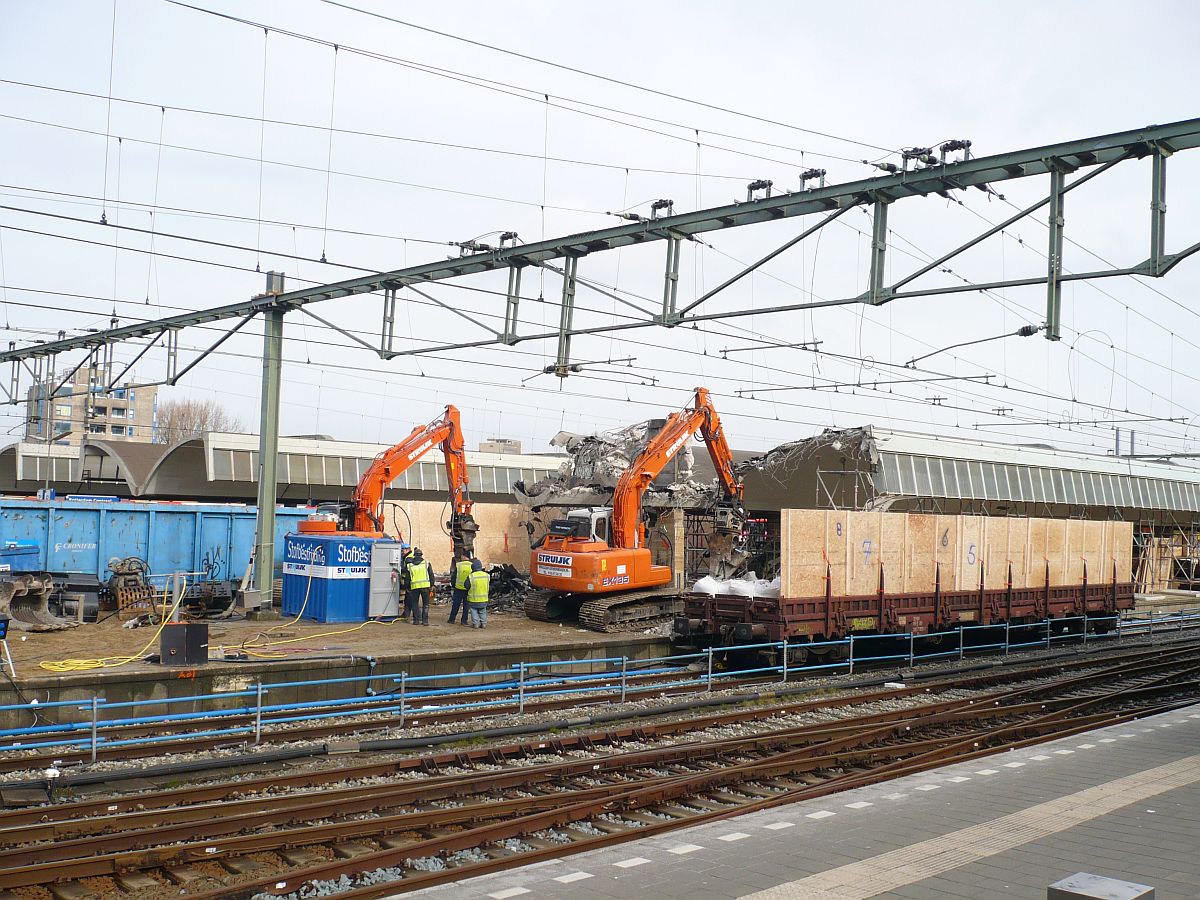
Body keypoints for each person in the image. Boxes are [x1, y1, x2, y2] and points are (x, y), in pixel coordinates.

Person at [405, 547, 433, 626]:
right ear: (421, 555)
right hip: (425, 587)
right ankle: (425, 621)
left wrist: (407, 587)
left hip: (414, 587)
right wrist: (432, 585)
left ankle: (416, 620)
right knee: (426, 604)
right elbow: (431, 575)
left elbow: (407, 578)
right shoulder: (426, 564)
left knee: (415, 604)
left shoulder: (409, 566)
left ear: (414, 555)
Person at [448, 554, 472, 625]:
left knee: (455, 605)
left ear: (464, 556)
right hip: (468, 589)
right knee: (466, 606)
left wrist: (453, 585)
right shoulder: (472, 565)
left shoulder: (459, 565)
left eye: (462, 556)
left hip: (458, 588)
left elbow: (453, 577)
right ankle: (464, 621)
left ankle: (452, 619)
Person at [466, 558, 490, 629]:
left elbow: (466, 585)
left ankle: (476, 624)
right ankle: (483, 624)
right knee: (482, 611)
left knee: (474, 612)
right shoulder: (486, 575)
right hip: (484, 598)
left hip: (473, 599)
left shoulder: (471, 576)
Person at [398, 542, 413, 620]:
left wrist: (399, 569)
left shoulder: (409, 558)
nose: (402, 552)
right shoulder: (407, 557)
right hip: (407, 581)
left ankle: (409, 615)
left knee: (409, 599)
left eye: (403, 550)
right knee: (407, 599)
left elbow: (408, 570)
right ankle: (406, 614)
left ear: (407, 550)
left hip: (409, 581)